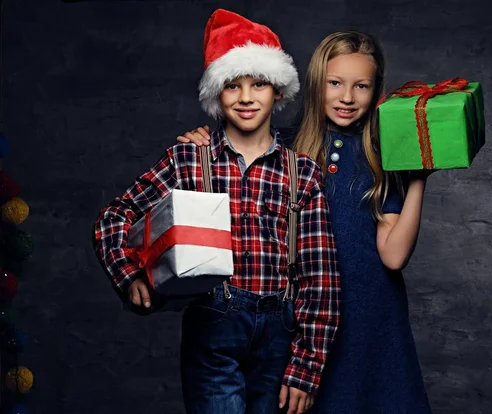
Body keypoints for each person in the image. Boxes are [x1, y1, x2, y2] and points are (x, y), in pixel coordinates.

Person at [93, 9, 340, 414]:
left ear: (278, 91)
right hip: (213, 326)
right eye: (232, 85)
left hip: (281, 332)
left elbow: (320, 277)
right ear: (215, 95)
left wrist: (306, 368)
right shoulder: (190, 158)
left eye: (259, 83)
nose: (246, 97)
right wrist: (130, 274)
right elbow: (114, 218)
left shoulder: (303, 173)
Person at [177, 30, 433, 413]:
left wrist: (418, 179)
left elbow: (393, 257)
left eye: (361, 86)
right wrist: (202, 145)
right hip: (302, 319)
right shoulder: (283, 149)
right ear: (316, 84)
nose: (347, 97)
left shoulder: (382, 159)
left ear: (376, 91)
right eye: (335, 83)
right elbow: (234, 161)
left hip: (371, 318)